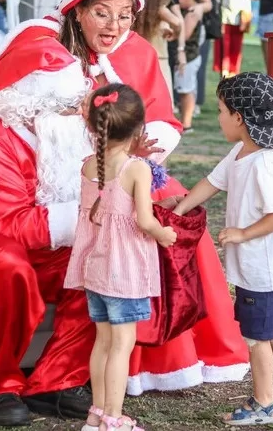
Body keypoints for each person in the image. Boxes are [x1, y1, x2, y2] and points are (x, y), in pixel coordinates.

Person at [0, 0, 250, 426]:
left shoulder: (64, 131)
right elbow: (19, 227)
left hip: (24, 235)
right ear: (30, 95)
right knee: (6, 265)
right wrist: (107, 213)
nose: (76, 111)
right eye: (69, 103)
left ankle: (56, 381)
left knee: (99, 265)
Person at [172, 72, 273, 426]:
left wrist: (242, 233)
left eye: (222, 110)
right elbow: (213, 181)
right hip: (252, 268)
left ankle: (265, 404)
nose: (219, 117)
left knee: (255, 337)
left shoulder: (263, 164)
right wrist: (179, 209)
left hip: (263, 267)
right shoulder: (241, 151)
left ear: (239, 118)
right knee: (263, 325)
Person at [65, 84, 177, 431]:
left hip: (94, 269)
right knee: (122, 346)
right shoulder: (136, 170)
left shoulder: (87, 166)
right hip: (123, 272)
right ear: (139, 129)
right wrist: (163, 233)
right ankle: (114, 419)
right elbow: (144, 220)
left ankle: (96, 413)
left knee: (102, 342)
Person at [133, 0, 181, 100]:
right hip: (159, 62)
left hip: (139, 62)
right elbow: (177, 23)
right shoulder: (160, 10)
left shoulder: (136, 9)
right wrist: (175, 34)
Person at [212, 0, 256, 77]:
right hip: (224, 18)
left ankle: (233, 81)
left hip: (240, 19)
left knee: (235, 54)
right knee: (223, 54)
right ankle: (224, 81)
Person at [177, 0, 206, 132]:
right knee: (185, 90)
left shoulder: (192, 14)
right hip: (190, 57)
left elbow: (186, 35)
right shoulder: (191, 11)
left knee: (186, 90)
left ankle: (186, 124)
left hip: (189, 57)